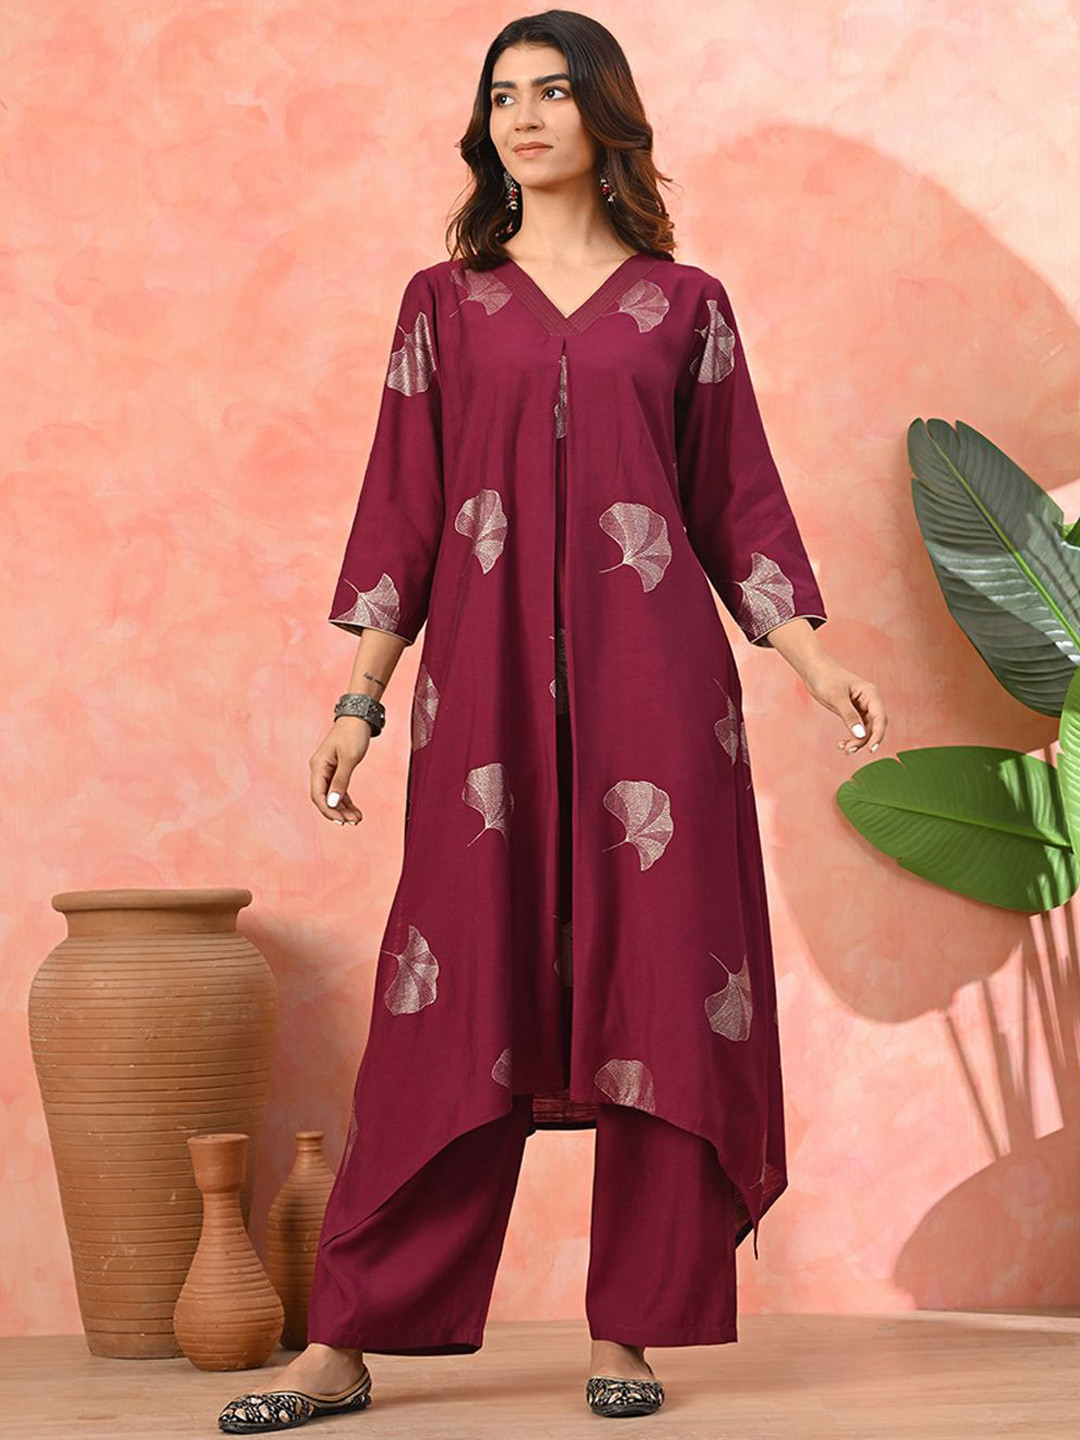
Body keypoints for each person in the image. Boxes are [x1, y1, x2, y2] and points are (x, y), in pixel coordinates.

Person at [218, 10, 886, 1433]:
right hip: (483, 710)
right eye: (502, 95)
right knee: (450, 996)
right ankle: (346, 1339)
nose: (522, 116)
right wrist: (358, 699)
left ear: (605, 114)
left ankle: (627, 1330)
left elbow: (738, 503)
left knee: (660, 990)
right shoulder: (445, 303)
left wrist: (812, 661)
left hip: (665, 703)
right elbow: (402, 510)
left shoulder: (685, 304)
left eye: (552, 91)